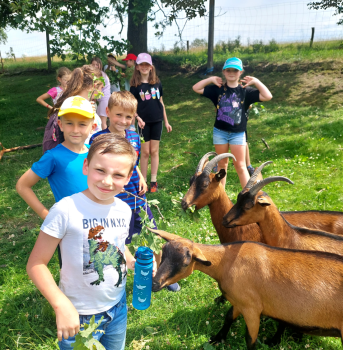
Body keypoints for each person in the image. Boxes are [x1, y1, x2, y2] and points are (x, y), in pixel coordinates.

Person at [26, 133, 157, 350]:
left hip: (117, 307)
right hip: (77, 315)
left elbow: (119, 243)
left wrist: (132, 261)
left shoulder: (124, 210)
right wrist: (61, 305)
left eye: (118, 175)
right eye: (100, 170)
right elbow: (36, 264)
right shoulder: (65, 210)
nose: (107, 181)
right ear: (86, 166)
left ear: (128, 178)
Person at [89, 91, 180, 292]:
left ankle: (161, 276)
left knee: (152, 232)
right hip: (114, 200)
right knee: (120, 239)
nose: (123, 121)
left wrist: (139, 174)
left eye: (128, 117)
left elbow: (134, 161)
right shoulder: (99, 139)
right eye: (118, 115)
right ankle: (116, 277)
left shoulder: (133, 135)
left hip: (137, 197)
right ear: (108, 112)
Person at [192, 57, 272, 189]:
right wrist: (211, 79)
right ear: (224, 72)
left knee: (240, 166)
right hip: (220, 133)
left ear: (240, 72)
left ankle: (247, 195)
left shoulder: (245, 91)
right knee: (222, 164)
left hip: (238, 134)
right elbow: (196, 88)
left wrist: (256, 82)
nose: (231, 73)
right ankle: (220, 195)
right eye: (228, 70)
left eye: (235, 70)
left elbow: (268, 96)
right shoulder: (217, 89)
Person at [16, 96, 97, 221]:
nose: (75, 130)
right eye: (69, 123)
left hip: (98, 220)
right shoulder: (53, 156)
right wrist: (47, 217)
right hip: (70, 226)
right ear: (61, 124)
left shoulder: (95, 152)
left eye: (82, 124)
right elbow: (22, 185)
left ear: (92, 127)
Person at [130, 53, 172, 193]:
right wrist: (138, 118)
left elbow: (161, 103)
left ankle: (153, 180)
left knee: (154, 151)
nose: (144, 67)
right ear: (137, 67)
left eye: (146, 65)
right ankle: (143, 180)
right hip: (143, 123)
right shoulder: (135, 86)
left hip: (157, 121)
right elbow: (132, 106)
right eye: (141, 65)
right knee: (145, 152)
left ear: (151, 67)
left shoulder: (157, 83)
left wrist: (166, 121)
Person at [42, 65, 103, 153]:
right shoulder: (83, 112)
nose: (102, 91)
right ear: (94, 85)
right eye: (101, 87)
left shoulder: (67, 105)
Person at [91, 56, 111, 130]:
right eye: (93, 65)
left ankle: (104, 138)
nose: (95, 66)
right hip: (103, 100)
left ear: (100, 65)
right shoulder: (99, 74)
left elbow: (98, 90)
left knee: (103, 121)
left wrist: (93, 98)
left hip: (104, 99)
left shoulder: (101, 75)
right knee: (100, 120)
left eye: (97, 64)